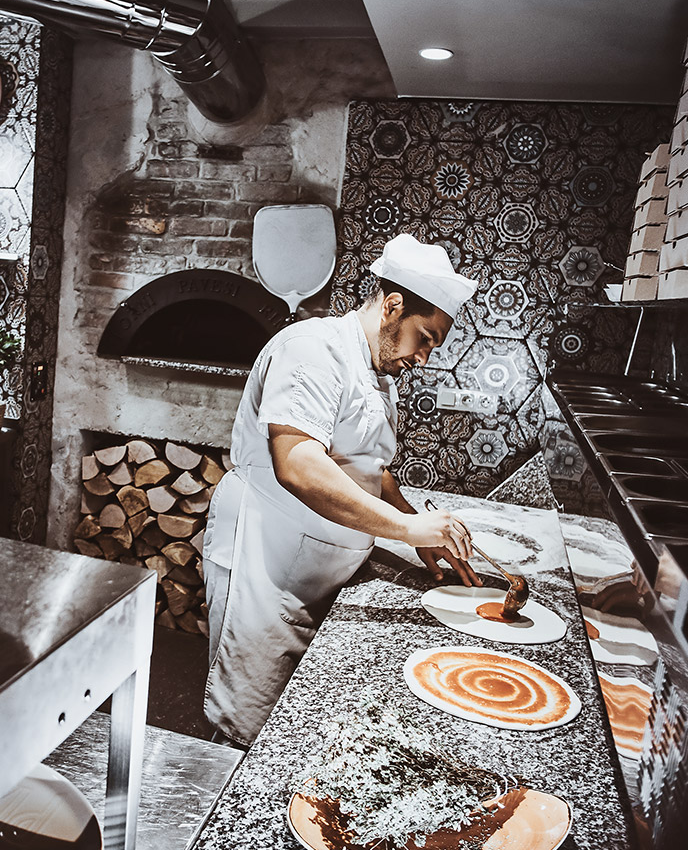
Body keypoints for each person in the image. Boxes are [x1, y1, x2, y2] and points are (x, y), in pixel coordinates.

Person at [201, 232, 484, 747]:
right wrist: (406, 526)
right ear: (392, 305)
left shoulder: (378, 374)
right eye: (425, 337)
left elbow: (369, 470)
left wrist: (416, 533)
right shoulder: (313, 348)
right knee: (249, 722)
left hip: (319, 571)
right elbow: (299, 465)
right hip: (268, 565)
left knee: (292, 729)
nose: (424, 357)